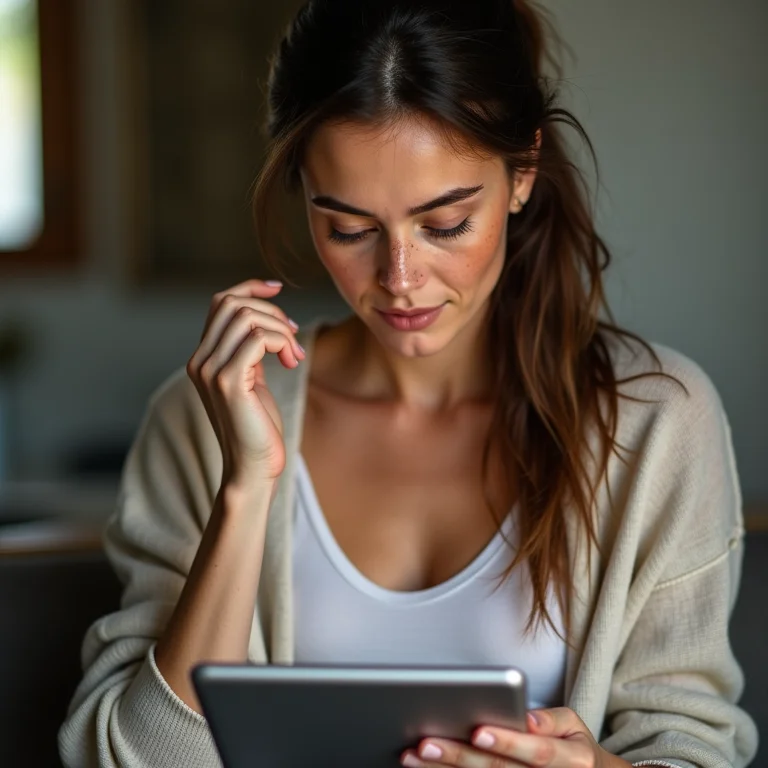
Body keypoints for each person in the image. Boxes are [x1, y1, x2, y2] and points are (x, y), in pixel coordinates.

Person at [59, 1, 758, 766]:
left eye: (445, 224)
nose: (399, 279)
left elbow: (690, 744)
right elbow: (134, 758)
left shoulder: (657, 422)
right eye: (349, 229)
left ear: (523, 172)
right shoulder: (201, 421)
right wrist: (245, 492)